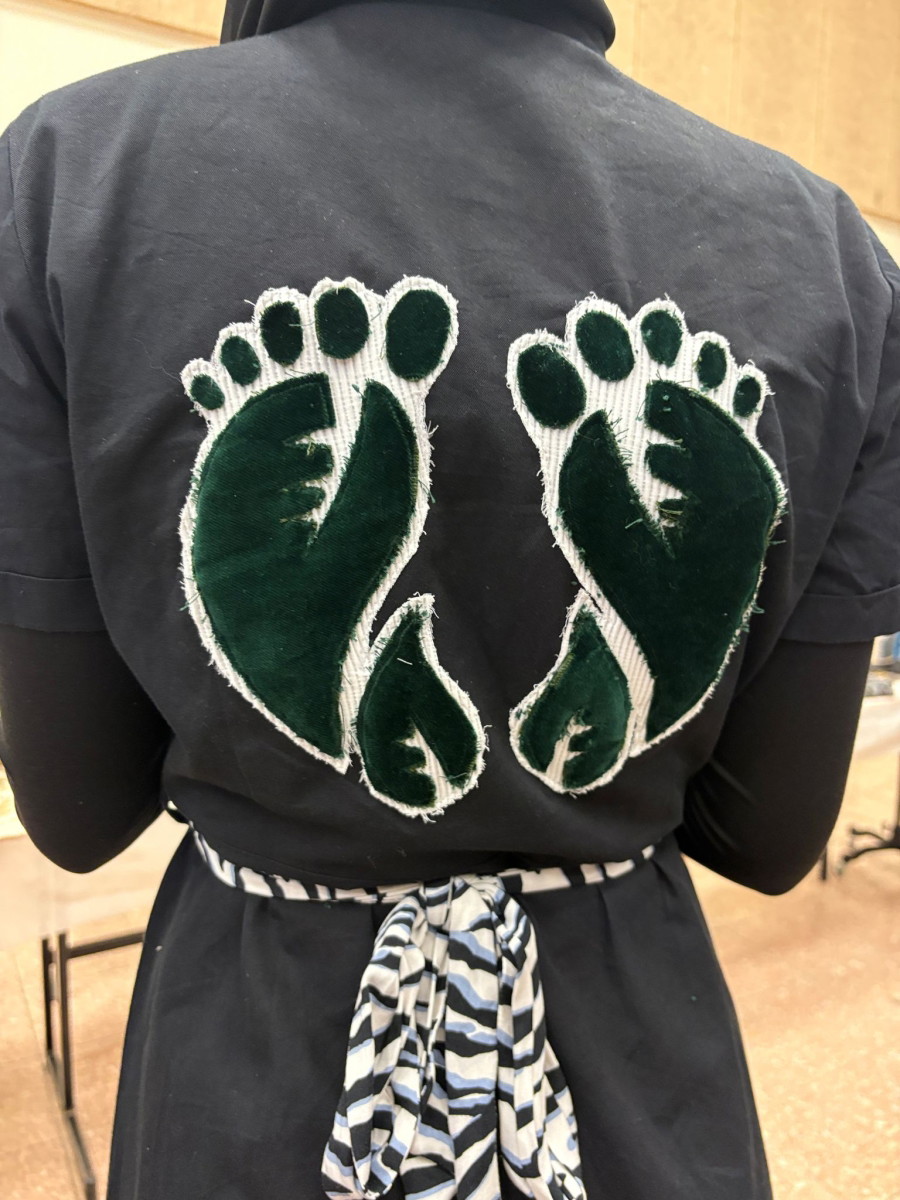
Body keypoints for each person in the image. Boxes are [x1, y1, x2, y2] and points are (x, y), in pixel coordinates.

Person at [1, 1, 898, 1197]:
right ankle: (637, 668)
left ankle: (311, 660)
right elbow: (770, 838)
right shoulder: (830, 252)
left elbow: (77, 810)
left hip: (256, 1072)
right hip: (634, 1069)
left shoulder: (67, 178)